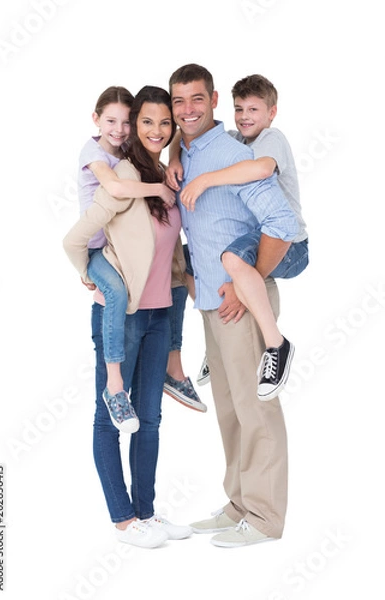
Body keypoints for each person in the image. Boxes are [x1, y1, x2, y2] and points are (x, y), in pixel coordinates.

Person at [169, 63, 297, 547]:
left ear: (214, 99)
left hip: (240, 303)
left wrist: (251, 282)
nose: (187, 110)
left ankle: (265, 519)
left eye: (196, 99)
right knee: (229, 409)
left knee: (255, 409)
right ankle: (240, 503)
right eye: (179, 101)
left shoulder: (230, 154)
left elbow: (282, 223)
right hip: (209, 303)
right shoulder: (186, 154)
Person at [63, 85, 192, 548]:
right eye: (147, 122)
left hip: (159, 313)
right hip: (124, 315)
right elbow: (77, 237)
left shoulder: (163, 172)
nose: (156, 131)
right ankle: (123, 520)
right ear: (132, 126)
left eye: (165, 123)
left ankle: (146, 513)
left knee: (150, 419)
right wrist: (88, 273)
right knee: (108, 417)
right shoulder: (121, 172)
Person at [167, 74, 308, 400]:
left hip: (290, 243)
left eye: (254, 110)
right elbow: (183, 133)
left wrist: (204, 180)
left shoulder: (272, 139)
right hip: (261, 235)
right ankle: (214, 344)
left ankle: (277, 345)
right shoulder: (237, 140)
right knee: (184, 261)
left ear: (272, 113)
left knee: (230, 258)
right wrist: (174, 157)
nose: (245, 117)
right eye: (240, 109)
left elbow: (259, 170)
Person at [74, 85, 180, 432]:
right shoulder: (95, 153)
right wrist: (84, 269)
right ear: (96, 119)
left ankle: (174, 366)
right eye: (111, 121)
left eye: (125, 123)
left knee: (177, 279)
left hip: (115, 257)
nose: (119, 130)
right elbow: (117, 190)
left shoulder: (126, 159)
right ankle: (115, 385)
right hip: (94, 250)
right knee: (117, 294)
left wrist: (173, 159)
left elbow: (168, 139)